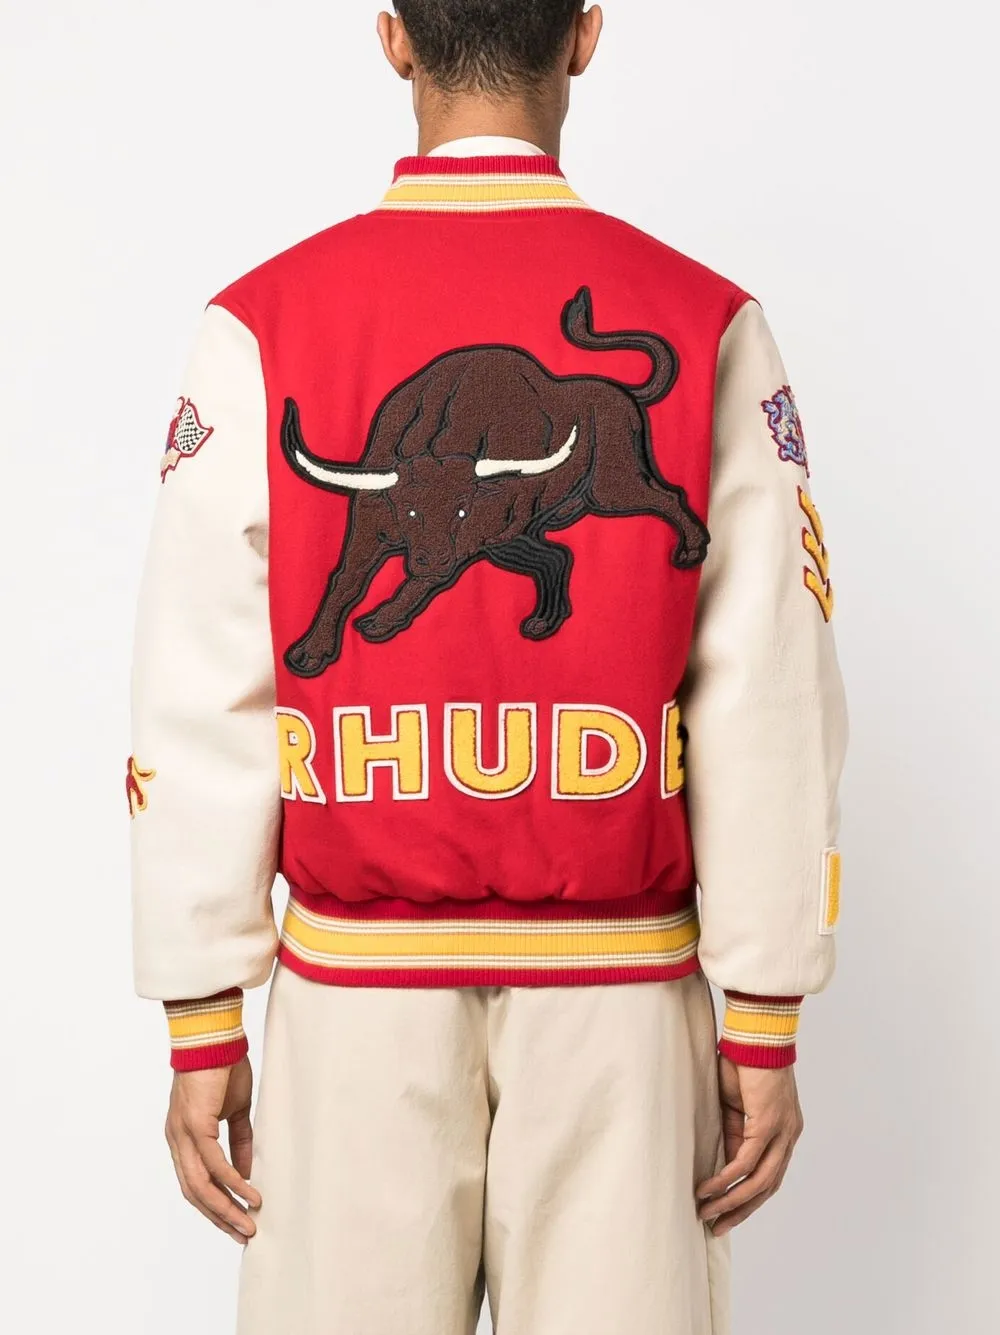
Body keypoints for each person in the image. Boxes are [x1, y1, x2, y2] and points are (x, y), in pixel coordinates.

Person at [128, 3, 847, 1332]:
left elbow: (200, 681)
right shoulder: (710, 324)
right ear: (584, 36)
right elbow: (769, 692)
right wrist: (764, 997)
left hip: (355, 990)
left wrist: (201, 999)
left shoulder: (258, 323)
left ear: (394, 38)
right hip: (620, 994)